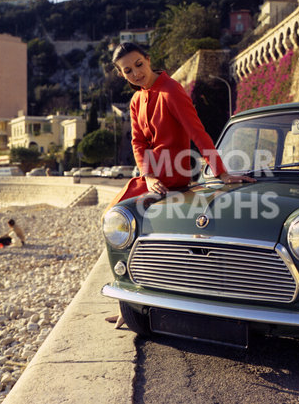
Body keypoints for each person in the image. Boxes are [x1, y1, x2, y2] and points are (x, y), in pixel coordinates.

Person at [105, 42, 255, 328]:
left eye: (138, 64)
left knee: (119, 220)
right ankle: (130, 301)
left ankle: (130, 303)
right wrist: (148, 176)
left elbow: (197, 132)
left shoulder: (172, 90)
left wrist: (221, 173)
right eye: (128, 71)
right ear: (122, 75)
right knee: (119, 224)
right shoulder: (137, 101)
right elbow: (138, 143)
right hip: (152, 176)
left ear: (148, 59)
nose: (136, 73)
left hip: (174, 175)